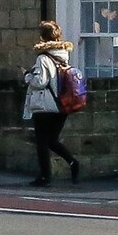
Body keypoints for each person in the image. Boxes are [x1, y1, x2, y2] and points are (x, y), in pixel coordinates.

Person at [21, 20, 80, 187]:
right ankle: (73, 162)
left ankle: (44, 177)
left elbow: (40, 81)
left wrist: (27, 76)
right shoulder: (63, 56)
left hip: (45, 105)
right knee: (52, 140)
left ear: (42, 37)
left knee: (42, 142)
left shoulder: (43, 58)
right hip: (62, 104)